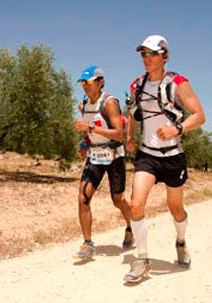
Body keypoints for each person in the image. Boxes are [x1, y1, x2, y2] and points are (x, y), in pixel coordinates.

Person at [123, 35, 206, 282]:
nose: (147, 59)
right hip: (147, 154)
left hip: (173, 156)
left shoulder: (179, 83)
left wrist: (177, 129)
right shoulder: (136, 85)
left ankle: (181, 242)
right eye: (143, 54)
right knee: (136, 204)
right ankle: (143, 259)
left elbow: (200, 116)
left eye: (152, 54)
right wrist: (129, 137)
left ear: (165, 56)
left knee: (175, 208)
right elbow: (134, 115)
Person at [73, 65, 134, 259]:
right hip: (95, 157)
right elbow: (88, 132)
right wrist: (84, 144)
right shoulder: (84, 105)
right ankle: (87, 243)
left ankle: (131, 226)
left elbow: (119, 133)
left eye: (89, 82)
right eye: (83, 83)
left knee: (118, 200)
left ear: (100, 82)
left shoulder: (109, 103)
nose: (86, 86)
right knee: (83, 199)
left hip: (114, 157)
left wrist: (91, 128)